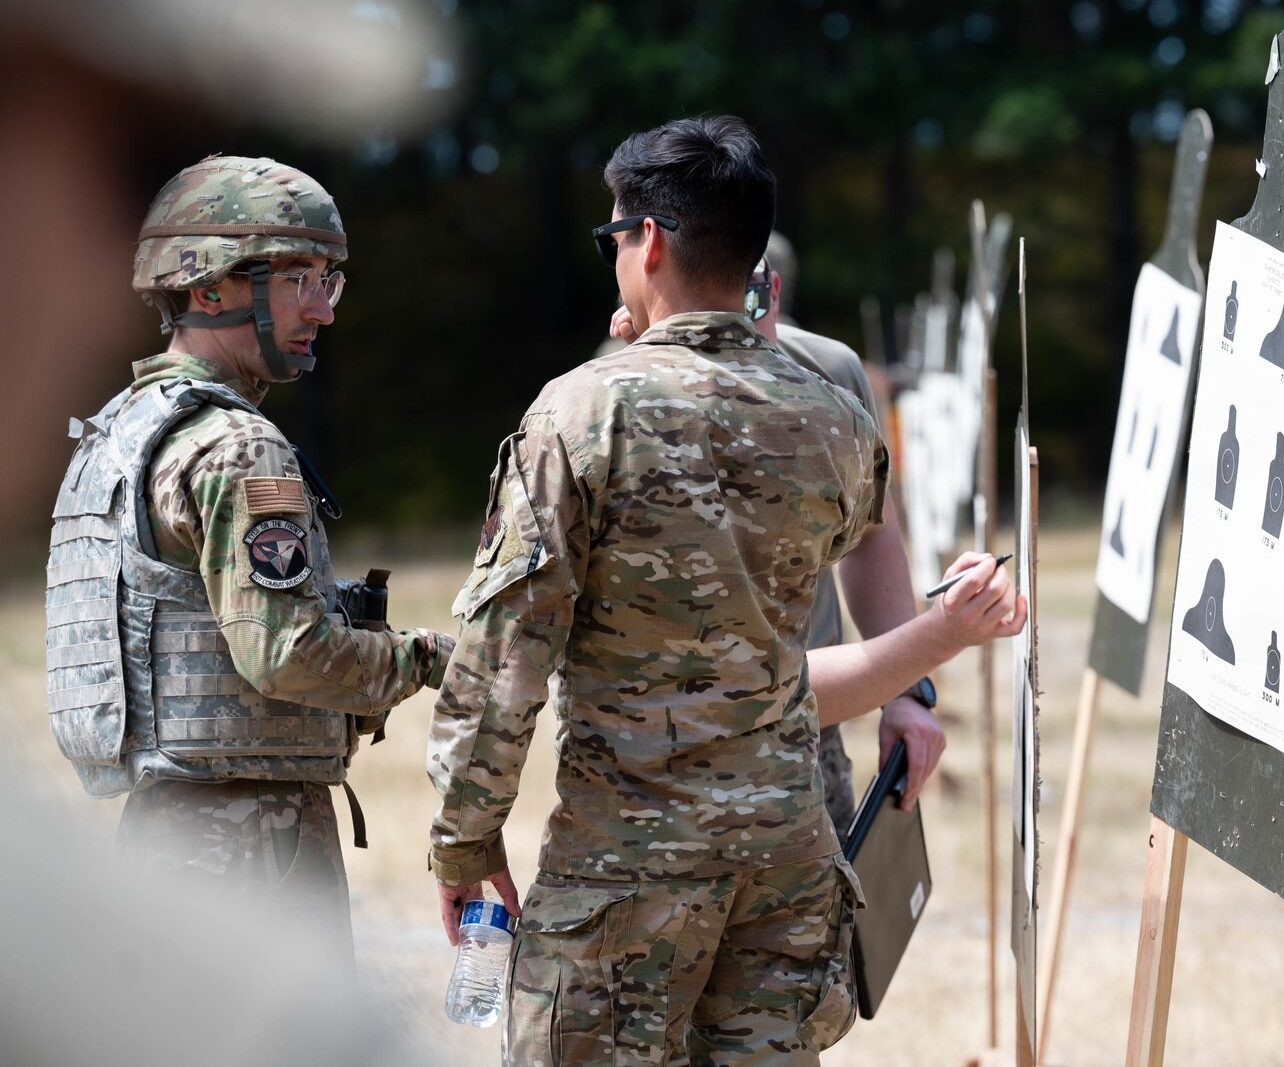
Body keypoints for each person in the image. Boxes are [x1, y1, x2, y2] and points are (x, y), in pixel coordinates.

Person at [429, 116, 1022, 1065]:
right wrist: (915, 683)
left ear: (649, 242)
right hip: (785, 857)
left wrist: (466, 840)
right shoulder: (832, 412)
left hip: (627, 862)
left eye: (613, 237)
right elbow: (874, 540)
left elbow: (503, 664)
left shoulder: (582, 412)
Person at [45, 156, 458, 958]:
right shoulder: (239, 448)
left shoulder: (121, 430)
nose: (323, 310)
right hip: (254, 849)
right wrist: (431, 658)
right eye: (298, 278)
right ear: (210, 289)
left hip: (165, 836)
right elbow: (288, 656)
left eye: (327, 280)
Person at [611, 235, 945, 832]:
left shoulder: (830, 373)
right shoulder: (608, 388)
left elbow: (872, 532)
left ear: (773, 293)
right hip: (659, 761)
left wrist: (905, 691)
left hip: (807, 741)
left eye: (754, 311)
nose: (740, 347)